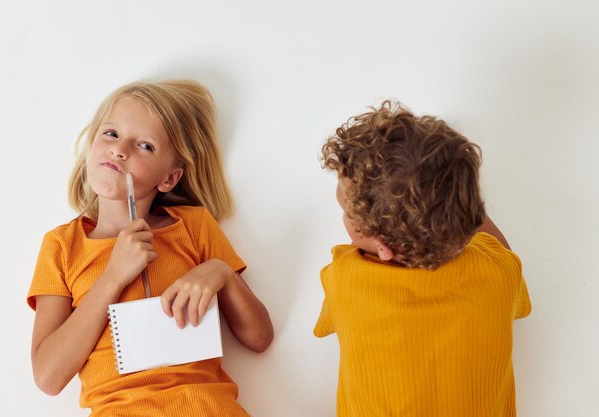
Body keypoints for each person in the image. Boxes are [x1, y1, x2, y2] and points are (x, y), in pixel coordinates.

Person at [28, 80, 274, 417]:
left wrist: (220, 273)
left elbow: (259, 338)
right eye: (111, 134)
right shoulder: (61, 246)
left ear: (170, 179)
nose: (120, 150)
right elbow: (48, 377)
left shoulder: (193, 226)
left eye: (145, 145)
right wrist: (113, 276)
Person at [314, 101, 531, 417]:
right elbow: (502, 252)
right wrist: (453, 202)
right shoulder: (500, 272)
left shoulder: (346, 278)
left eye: (347, 213)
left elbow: (325, 325)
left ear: (384, 248)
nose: (344, 219)